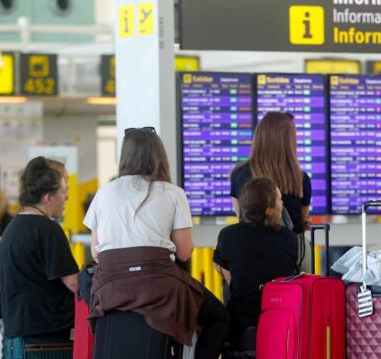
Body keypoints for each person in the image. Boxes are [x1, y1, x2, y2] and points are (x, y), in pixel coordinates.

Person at [83, 127, 229, 359]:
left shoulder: (105, 192)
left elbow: (97, 251)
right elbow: (184, 252)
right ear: (158, 155)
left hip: (110, 288)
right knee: (218, 318)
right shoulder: (173, 193)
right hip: (159, 288)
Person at [0, 157, 78, 358]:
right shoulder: (48, 230)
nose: (67, 197)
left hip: (16, 338)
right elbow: (74, 284)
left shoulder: (12, 228)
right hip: (44, 343)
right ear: (48, 197)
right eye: (63, 191)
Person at [214, 177, 298, 349]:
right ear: (269, 210)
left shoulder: (227, 235)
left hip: (240, 326)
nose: (282, 205)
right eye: (280, 200)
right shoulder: (289, 238)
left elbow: (225, 273)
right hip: (281, 324)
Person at [230, 111, 311, 235]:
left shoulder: (238, 173)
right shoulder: (300, 178)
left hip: (250, 248)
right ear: (289, 141)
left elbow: (241, 217)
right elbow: (303, 222)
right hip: (291, 250)